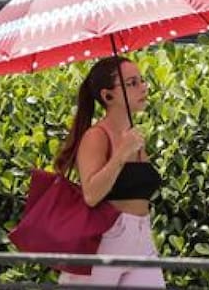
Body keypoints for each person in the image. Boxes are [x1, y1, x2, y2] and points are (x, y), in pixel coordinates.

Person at [52, 56, 165, 287]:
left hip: (141, 238)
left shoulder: (134, 138)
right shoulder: (97, 136)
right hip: (105, 239)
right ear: (108, 96)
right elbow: (91, 194)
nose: (143, 87)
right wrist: (121, 153)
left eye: (142, 80)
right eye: (132, 83)